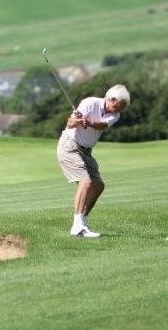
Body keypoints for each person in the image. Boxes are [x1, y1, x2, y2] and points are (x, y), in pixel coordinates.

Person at [56, 84, 130, 238]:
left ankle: (82, 222)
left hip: (86, 152)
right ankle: (77, 227)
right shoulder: (90, 103)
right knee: (86, 182)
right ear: (110, 99)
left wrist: (88, 122)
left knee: (98, 185)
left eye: (120, 109)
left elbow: (102, 125)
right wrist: (77, 120)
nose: (116, 111)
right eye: (116, 106)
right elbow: (69, 124)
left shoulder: (115, 115)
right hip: (70, 145)